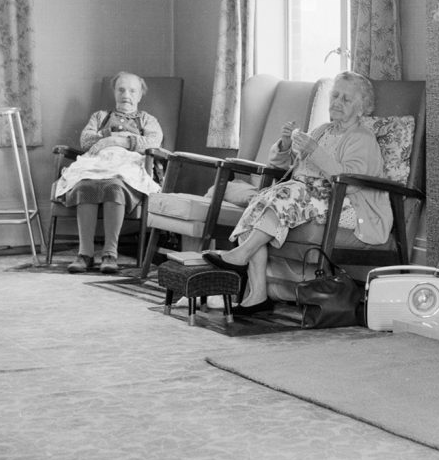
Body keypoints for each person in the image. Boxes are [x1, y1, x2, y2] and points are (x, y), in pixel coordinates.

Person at [203, 71, 391, 315]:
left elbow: (350, 183)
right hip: (307, 195)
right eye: (335, 95)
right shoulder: (322, 130)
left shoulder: (361, 138)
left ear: (361, 108)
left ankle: (242, 254)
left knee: (285, 196)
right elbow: (287, 165)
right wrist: (285, 145)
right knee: (262, 200)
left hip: (344, 203)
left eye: (346, 99)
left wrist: (315, 152)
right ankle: (258, 293)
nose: (336, 102)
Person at [56, 72, 163, 275]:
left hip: (127, 167)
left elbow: (153, 143)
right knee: (85, 185)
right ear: (114, 92)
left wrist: (117, 140)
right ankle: (84, 254)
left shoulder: (147, 120)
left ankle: (109, 254)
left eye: (132, 91)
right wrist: (107, 135)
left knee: (114, 187)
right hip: (96, 163)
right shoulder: (100, 116)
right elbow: (86, 141)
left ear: (140, 95)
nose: (126, 95)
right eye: (121, 89)